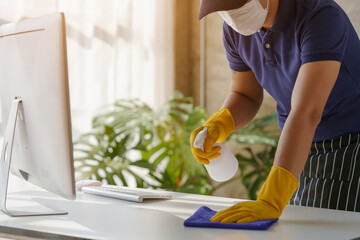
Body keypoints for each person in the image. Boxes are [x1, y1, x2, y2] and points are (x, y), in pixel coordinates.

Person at [190, 0, 360, 224]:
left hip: (349, 143)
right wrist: (218, 125)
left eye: (236, 4)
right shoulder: (235, 30)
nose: (231, 15)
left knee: (327, 229)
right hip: (301, 146)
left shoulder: (320, 15)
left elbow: (306, 112)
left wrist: (271, 199)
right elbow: (245, 95)